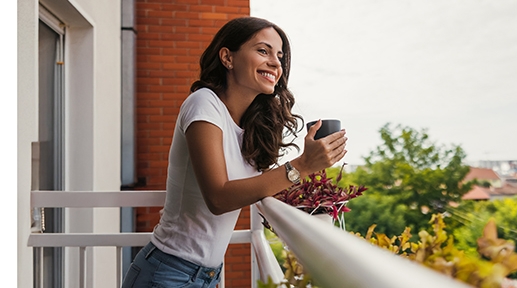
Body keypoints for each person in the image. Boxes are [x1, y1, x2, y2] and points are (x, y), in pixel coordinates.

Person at [121, 16, 347, 288]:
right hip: (167, 273)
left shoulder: (249, 125)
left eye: (280, 55)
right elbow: (218, 197)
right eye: (263, 51)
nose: (276, 62)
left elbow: (254, 187)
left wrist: (317, 197)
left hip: (206, 274)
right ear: (228, 58)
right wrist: (301, 165)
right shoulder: (204, 104)